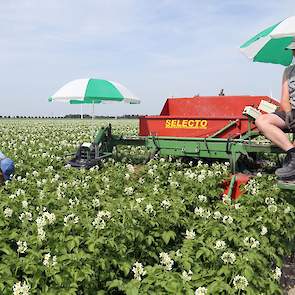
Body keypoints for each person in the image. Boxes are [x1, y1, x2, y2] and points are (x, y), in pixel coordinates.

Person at [255, 41, 295, 180]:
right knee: (262, 120)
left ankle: (291, 167)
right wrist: (289, 112)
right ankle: (292, 153)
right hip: (291, 111)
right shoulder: (288, 71)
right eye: (293, 50)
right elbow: (284, 98)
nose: (294, 53)